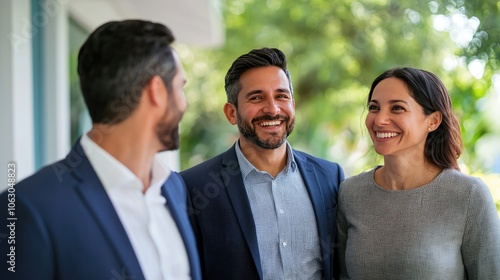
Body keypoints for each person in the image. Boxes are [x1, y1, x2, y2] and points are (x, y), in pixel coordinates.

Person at [0, 20, 201, 280]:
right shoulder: (26, 210)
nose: (184, 104)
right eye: (179, 87)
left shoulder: (174, 187)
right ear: (157, 91)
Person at [180, 47, 344, 280]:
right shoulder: (192, 186)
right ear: (231, 113)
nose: (272, 109)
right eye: (256, 97)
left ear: (293, 105)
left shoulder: (330, 176)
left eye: (281, 96)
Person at [337, 67, 500, 279]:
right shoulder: (350, 192)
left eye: (397, 108)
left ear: (432, 121)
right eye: (374, 107)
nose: (379, 120)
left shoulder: (468, 195)